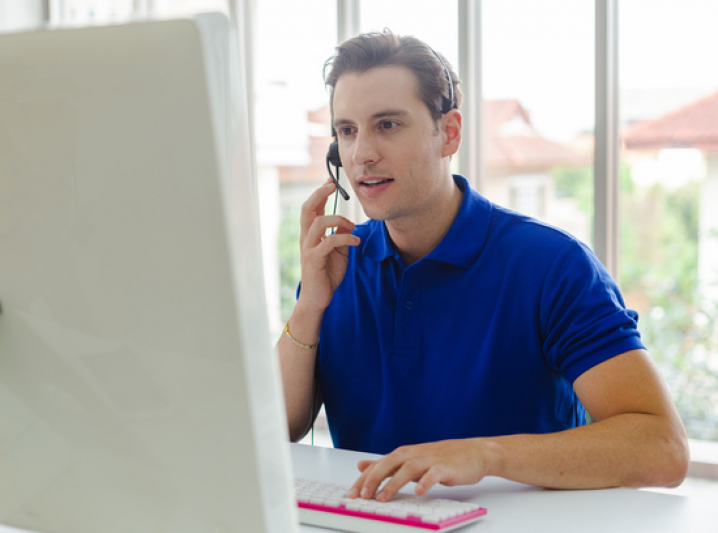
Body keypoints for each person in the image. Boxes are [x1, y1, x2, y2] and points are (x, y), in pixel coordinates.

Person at [277, 30, 689, 502]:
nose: (361, 153)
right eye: (346, 131)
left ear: (449, 133)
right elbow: (277, 429)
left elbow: (662, 447)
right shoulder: (337, 264)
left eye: (387, 125)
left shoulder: (552, 264)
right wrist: (309, 307)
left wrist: (485, 455)